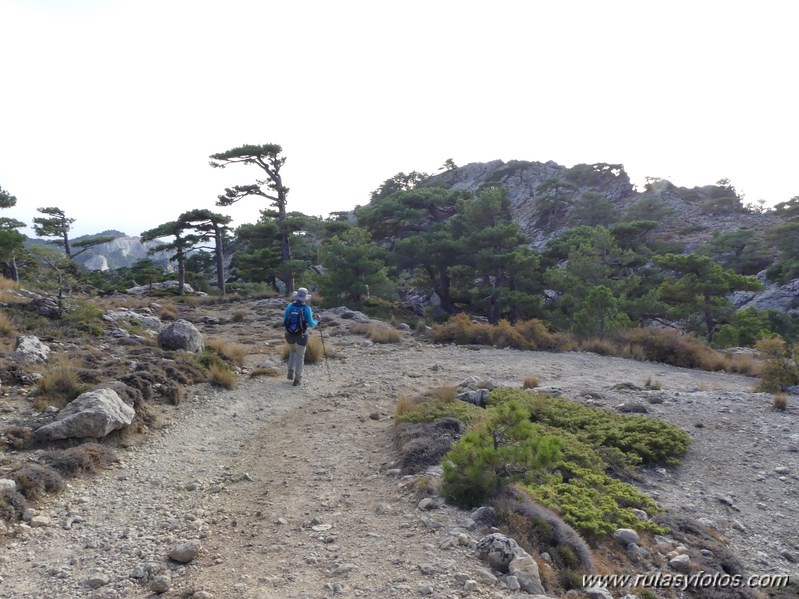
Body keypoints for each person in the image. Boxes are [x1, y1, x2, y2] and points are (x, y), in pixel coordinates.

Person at [282, 287, 318, 386]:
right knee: (300, 356)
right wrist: (317, 321)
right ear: (305, 298)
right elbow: (311, 324)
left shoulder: (290, 306)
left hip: (289, 334)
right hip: (302, 335)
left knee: (292, 351)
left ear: (296, 296)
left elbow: (284, 320)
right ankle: (297, 379)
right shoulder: (307, 309)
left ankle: (290, 370)